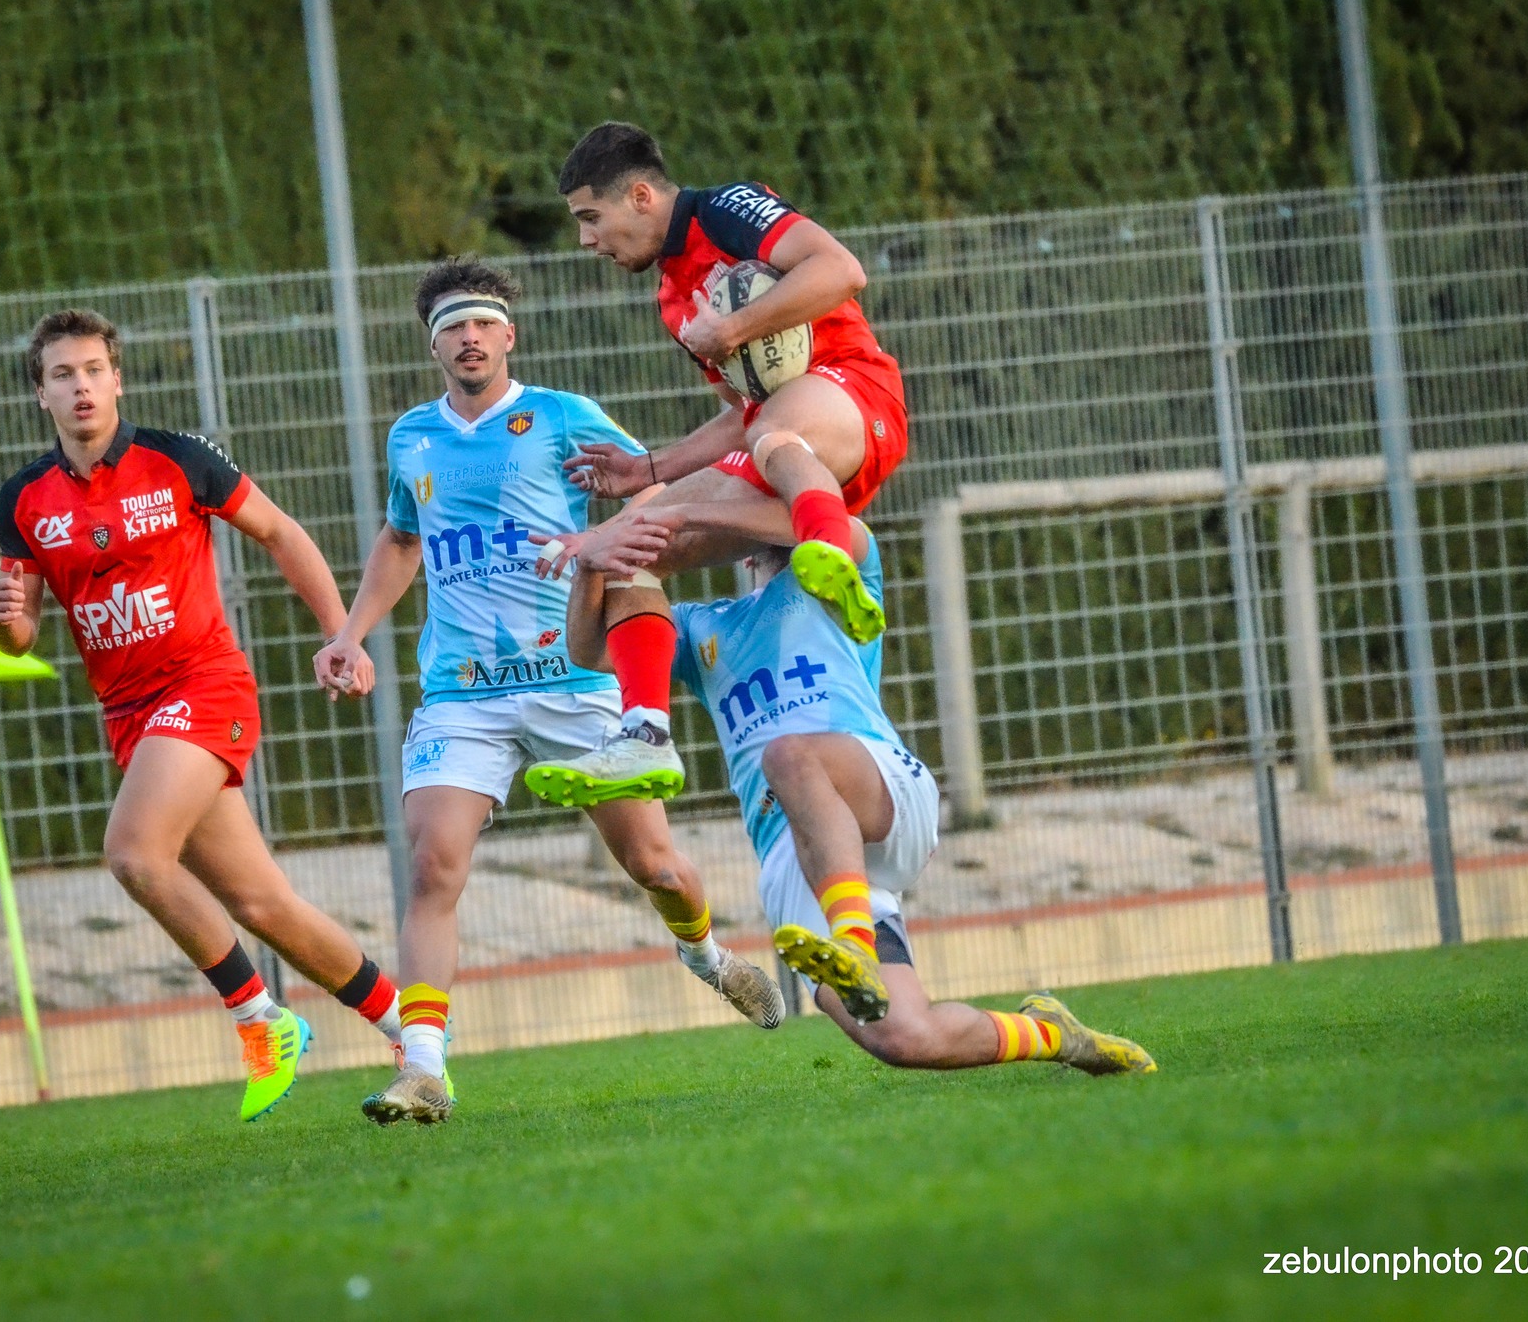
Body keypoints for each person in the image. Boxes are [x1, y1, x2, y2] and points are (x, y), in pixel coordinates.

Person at [312, 259, 784, 1126]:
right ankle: (424, 1067)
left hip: (573, 675)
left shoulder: (563, 419)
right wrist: (349, 632)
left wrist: (601, 534)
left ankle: (709, 956)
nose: (469, 337)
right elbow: (400, 537)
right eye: (452, 326)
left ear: (508, 335)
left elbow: (655, 493)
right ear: (433, 343)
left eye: (483, 323)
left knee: (652, 864)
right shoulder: (411, 436)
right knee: (431, 862)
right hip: (463, 692)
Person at [548, 499, 1158, 1075]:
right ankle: (1056, 1034)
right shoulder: (702, 624)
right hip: (798, 852)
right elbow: (589, 648)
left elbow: (827, 520)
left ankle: (855, 941)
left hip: (877, 792)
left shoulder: (832, 568)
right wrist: (596, 562)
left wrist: (682, 509)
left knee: (787, 757)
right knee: (901, 1037)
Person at [0, 309, 403, 1123]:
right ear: (40, 394)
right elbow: (20, 633)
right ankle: (413, 1030)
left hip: (204, 684)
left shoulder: (178, 460)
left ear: (119, 378)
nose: (81, 387)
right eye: (62, 375)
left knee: (135, 854)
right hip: (130, 714)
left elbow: (281, 533)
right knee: (264, 907)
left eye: (94, 370)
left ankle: (260, 1021)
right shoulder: (24, 499)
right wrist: (4, 619)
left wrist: (341, 636)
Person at [528, 121, 912, 807]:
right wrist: (651, 470)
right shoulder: (673, 298)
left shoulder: (724, 209)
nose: (588, 240)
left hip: (855, 396)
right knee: (630, 542)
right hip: (781, 438)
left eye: (591, 218)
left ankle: (830, 551)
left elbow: (840, 269)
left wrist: (734, 327)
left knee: (778, 433)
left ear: (641, 196)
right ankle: (643, 734)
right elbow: (746, 411)